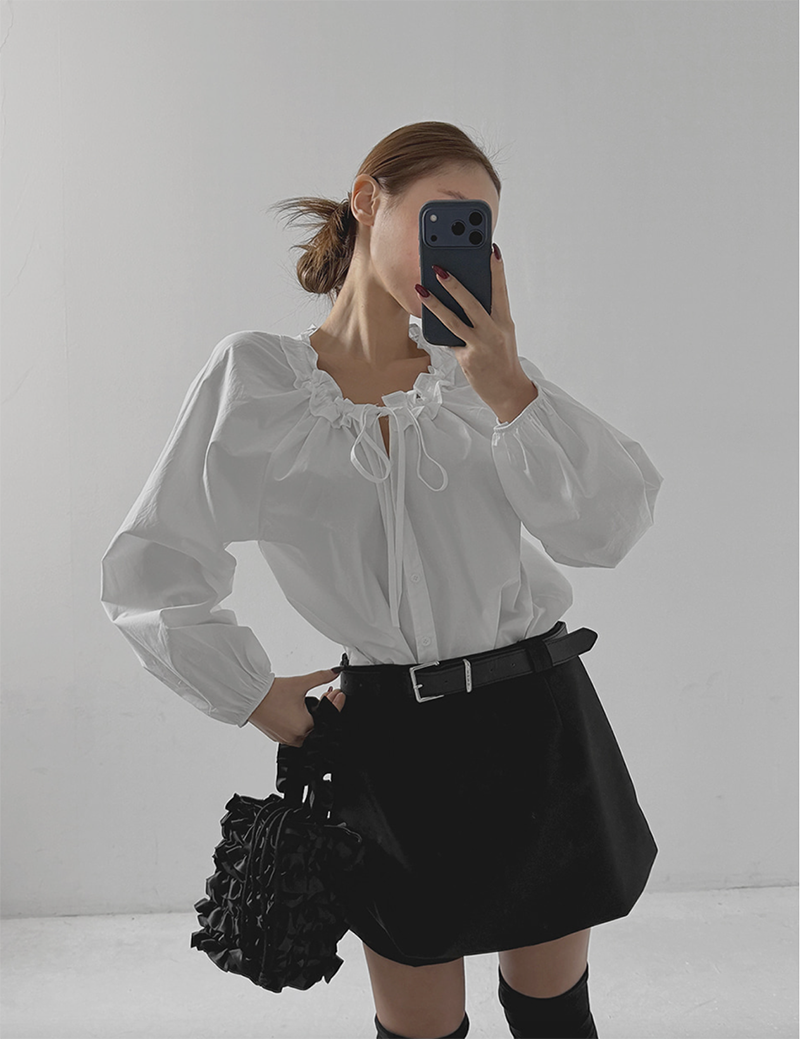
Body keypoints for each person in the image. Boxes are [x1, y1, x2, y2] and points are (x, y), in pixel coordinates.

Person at [100, 121, 663, 1039]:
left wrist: (508, 384)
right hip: (391, 745)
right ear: (368, 199)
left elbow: (610, 527)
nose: (464, 243)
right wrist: (254, 696)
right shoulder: (258, 381)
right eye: (447, 215)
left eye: (482, 228)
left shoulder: (483, 378)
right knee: (418, 1032)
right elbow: (152, 566)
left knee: (554, 1017)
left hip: (538, 721)